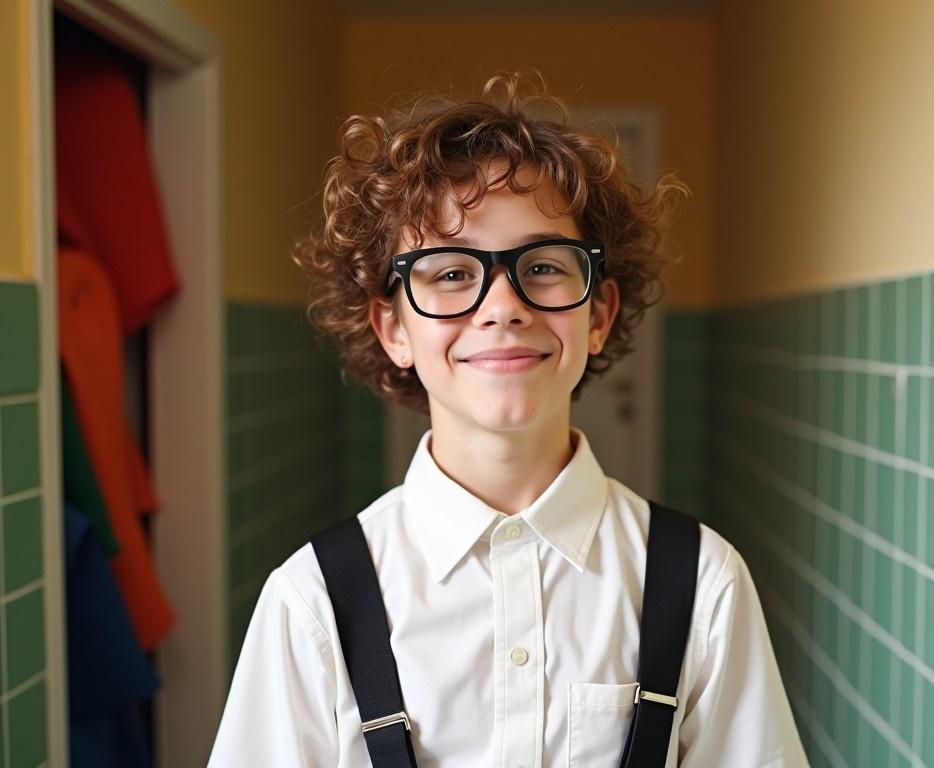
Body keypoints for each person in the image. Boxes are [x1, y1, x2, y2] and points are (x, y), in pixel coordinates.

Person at [207, 70, 809, 767]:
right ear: (392, 327)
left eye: (545, 265)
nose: (503, 306)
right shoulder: (311, 603)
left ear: (599, 315)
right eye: (452, 273)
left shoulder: (703, 583)